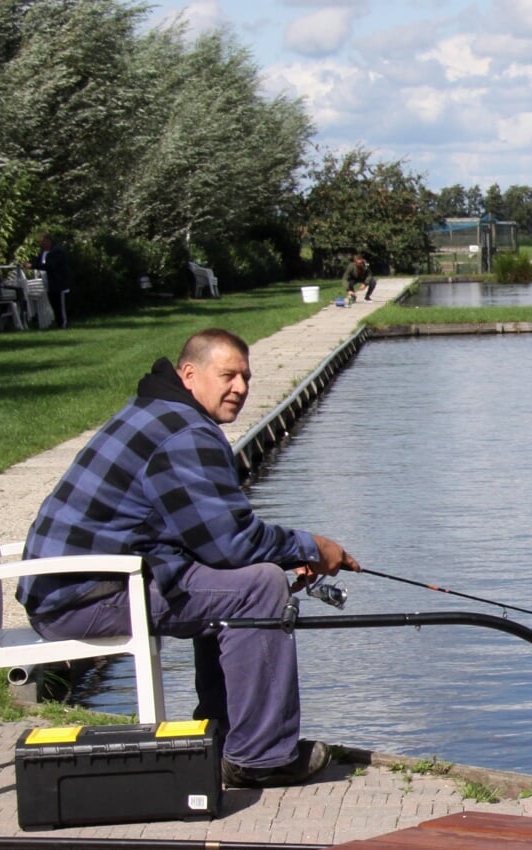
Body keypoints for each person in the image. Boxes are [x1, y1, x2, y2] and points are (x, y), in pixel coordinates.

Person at [18, 328, 358, 789]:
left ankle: (222, 734)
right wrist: (313, 547)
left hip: (66, 588)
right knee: (259, 588)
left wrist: (282, 554)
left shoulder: (157, 412)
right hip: (83, 598)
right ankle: (259, 758)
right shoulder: (185, 432)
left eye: (246, 377)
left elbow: (209, 540)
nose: (239, 387)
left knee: (238, 581)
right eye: (228, 375)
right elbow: (231, 542)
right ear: (190, 374)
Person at [31, 233, 72, 328]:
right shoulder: (43, 252)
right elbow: (38, 262)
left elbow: (50, 266)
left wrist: (33, 266)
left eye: (42, 242)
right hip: (50, 283)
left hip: (59, 282)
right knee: (54, 303)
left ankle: (63, 323)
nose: (41, 245)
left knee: (60, 304)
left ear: (48, 241)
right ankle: (58, 322)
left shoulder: (57, 251)